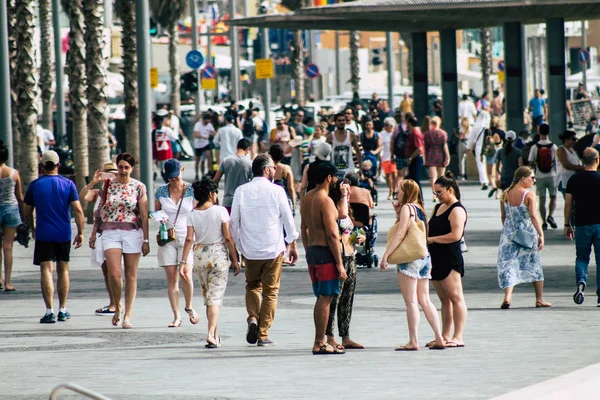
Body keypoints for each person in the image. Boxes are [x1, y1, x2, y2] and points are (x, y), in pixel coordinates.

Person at [230, 154, 299, 346]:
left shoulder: (241, 191)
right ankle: (263, 333)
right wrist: (292, 244)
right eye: (273, 168)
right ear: (266, 170)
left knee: (252, 285)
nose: (276, 171)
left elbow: (234, 222)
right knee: (270, 292)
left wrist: (233, 249)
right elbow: (288, 219)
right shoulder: (277, 191)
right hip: (273, 249)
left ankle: (252, 317)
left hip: (249, 249)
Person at [380, 179, 446, 351]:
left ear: (407, 191)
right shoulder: (420, 209)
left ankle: (413, 340)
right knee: (425, 299)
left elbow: (401, 232)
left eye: (399, 189)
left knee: (411, 301)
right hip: (424, 257)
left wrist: (386, 255)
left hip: (409, 259)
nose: (396, 191)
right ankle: (439, 337)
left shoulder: (407, 208)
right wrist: (397, 212)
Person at [23, 150, 85, 323]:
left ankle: (49, 310)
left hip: (44, 232)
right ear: (58, 165)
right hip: (63, 232)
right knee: (63, 269)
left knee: (46, 270)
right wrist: (81, 232)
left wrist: (32, 227)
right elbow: (78, 210)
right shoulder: (68, 184)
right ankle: (63, 309)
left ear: (42, 166)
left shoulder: (35, 185)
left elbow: (27, 210)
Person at [90, 153, 150, 329]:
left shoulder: (139, 186)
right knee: (114, 274)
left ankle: (128, 315)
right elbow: (99, 211)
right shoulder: (108, 185)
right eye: (121, 167)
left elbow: (144, 216)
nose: (123, 171)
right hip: (110, 232)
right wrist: (94, 233)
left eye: (127, 167)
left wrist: (146, 239)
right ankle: (117, 305)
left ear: (132, 169)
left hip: (132, 232)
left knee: (130, 275)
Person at [180, 178, 240, 348]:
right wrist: (234, 258)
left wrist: (183, 262)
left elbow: (189, 239)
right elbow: (228, 237)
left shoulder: (192, 214)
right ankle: (210, 334)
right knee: (215, 298)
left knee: (208, 297)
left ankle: (215, 334)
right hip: (218, 256)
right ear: (211, 194)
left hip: (199, 256)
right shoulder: (220, 211)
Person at [300, 161, 346, 355]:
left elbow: (303, 228)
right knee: (325, 299)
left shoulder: (307, 197)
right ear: (328, 178)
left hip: (312, 250)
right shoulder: (324, 200)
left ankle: (320, 340)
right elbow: (333, 235)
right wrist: (340, 264)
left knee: (321, 297)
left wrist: (307, 249)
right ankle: (320, 342)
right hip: (325, 252)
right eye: (334, 177)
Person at [497, 166, 551, 309]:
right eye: (532, 178)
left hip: (509, 235)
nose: (534, 180)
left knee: (509, 264)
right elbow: (533, 215)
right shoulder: (529, 194)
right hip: (527, 234)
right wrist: (541, 233)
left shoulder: (505, 194)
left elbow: (503, 217)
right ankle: (539, 299)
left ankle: (507, 297)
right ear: (523, 179)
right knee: (534, 264)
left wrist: (510, 230)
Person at [154, 159, 198, 328]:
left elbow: (196, 212)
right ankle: (176, 315)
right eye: (170, 177)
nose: (173, 180)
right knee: (172, 278)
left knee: (186, 274)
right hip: (167, 237)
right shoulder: (161, 191)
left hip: (187, 236)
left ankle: (189, 307)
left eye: (175, 176)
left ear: (182, 170)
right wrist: (160, 217)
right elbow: (155, 211)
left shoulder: (191, 190)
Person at [428, 173, 468, 347]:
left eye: (439, 192)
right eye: (435, 193)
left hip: (449, 257)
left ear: (450, 190)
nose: (436, 196)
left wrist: (433, 239)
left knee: (456, 297)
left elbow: (455, 235)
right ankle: (444, 335)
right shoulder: (438, 208)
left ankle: (458, 336)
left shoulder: (457, 209)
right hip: (435, 256)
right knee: (444, 299)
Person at [326, 179, 365, 351]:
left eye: (348, 190)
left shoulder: (347, 209)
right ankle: (330, 336)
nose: (348, 193)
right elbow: (340, 218)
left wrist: (359, 237)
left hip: (351, 257)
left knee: (347, 299)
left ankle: (345, 335)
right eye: (345, 190)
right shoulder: (334, 208)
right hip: (339, 258)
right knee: (334, 299)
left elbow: (350, 230)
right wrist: (342, 196)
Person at [80, 162, 119, 315]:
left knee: (114, 271)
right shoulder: (98, 192)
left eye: (113, 173)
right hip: (100, 234)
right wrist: (93, 182)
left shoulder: (119, 191)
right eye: (107, 173)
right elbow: (82, 196)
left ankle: (117, 303)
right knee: (105, 270)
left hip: (114, 233)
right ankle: (113, 302)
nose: (110, 176)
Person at [564, 148, 600, 306]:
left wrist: (567, 224)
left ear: (582, 161)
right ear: (597, 160)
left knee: (582, 258)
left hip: (582, 224)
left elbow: (568, 203)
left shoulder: (574, 179)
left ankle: (581, 282)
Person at [0, 141, 24, 292]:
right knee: (8, 247)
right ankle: (8, 282)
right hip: (11, 209)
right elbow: (20, 196)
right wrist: (24, 215)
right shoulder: (14, 173)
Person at [528, 123, 558, 230]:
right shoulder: (553, 147)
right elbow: (557, 163)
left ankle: (544, 222)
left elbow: (531, 162)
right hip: (552, 175)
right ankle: (551, 216)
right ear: (549, 132)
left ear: (539, 132)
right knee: (553, 197)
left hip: (540, 176)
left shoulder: (534, 147)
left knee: (542, 199)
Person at [213, 138, 252, 214]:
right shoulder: (250, 164)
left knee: (227, 225)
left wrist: (215, 195)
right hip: (243, 201)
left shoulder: (226, 160)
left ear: (237, 147)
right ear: (248, 149)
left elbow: (215, 180)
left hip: (228, 201)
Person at [327, 112, 362, 180]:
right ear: (335, 122)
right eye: (339, 120)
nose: (342, 122)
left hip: (349, 170)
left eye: (343, 120)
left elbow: (358, 151)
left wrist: (360, 168)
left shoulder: (351, 135)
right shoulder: (330, 136)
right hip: (335, 170)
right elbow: (326, 153)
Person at [424, 117, 450, 202]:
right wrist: (447, 157)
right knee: (441, 176)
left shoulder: (427, 134)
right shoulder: (443, 133)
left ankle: (434, 195)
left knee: (433, 177)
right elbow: (444, 146)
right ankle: (442, 194)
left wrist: (425, 158)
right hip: (441, 155)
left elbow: (425, 147)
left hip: (431, 155)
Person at [467, 110, 491, 190]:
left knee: (481, 164)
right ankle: (493, 179)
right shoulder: (489, 126)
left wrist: (469, 147)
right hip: (489, 147)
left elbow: (471, 138)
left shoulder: (476, 125)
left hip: (480, 147)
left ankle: (484, 181)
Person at [556, 130, 583, 198]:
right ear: (566, 139)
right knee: (569, 202)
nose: (574, 141)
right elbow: (566, 164)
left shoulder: (573, 150)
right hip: (565, 179)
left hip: (573, 179)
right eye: (573, 139)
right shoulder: (561, 149)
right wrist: (580, 168)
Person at [153, 111, 179, 183]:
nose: (158, 124)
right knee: (162, 170)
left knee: (168, 168)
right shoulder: (153, 132)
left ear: (162, 122)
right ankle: (167, 182)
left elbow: (175, 138)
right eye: (156, 123)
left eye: (159, 122)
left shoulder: (166, 130)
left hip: (167, 152)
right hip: (159, 153)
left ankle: (169, 181)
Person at [405, 117, 425, 192]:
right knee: (411, 179)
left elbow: (419, 148)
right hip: (413, 159)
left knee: (416, 180)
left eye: (407, 122)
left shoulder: (415, 133)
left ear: (410, 123)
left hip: (416, 159)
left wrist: (410, 158)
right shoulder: (411, 132)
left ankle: (420, 198)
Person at [193, 114, 216, 180]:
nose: (207, 122)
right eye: (206, 121)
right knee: (199, 160)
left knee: (209, 157)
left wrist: (212, 134)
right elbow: (196, 134)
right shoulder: (198, 125)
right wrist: (203, 137)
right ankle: (197, 174)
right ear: (203, 120)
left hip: (206, 144)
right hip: (198, 145)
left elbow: (214, 132)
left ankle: (209, 172)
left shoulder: (209, 125)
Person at [380, 117, 397, 200]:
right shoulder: (382, 134)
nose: (385, 126)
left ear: (391, 126)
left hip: (394, 156)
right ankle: (390, 190)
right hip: (385, 156)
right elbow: (380, 145)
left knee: (394, 174)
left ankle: (395, 190)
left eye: (387, 125)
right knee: (387, 175)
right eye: (385, 125)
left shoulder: (395, 133)